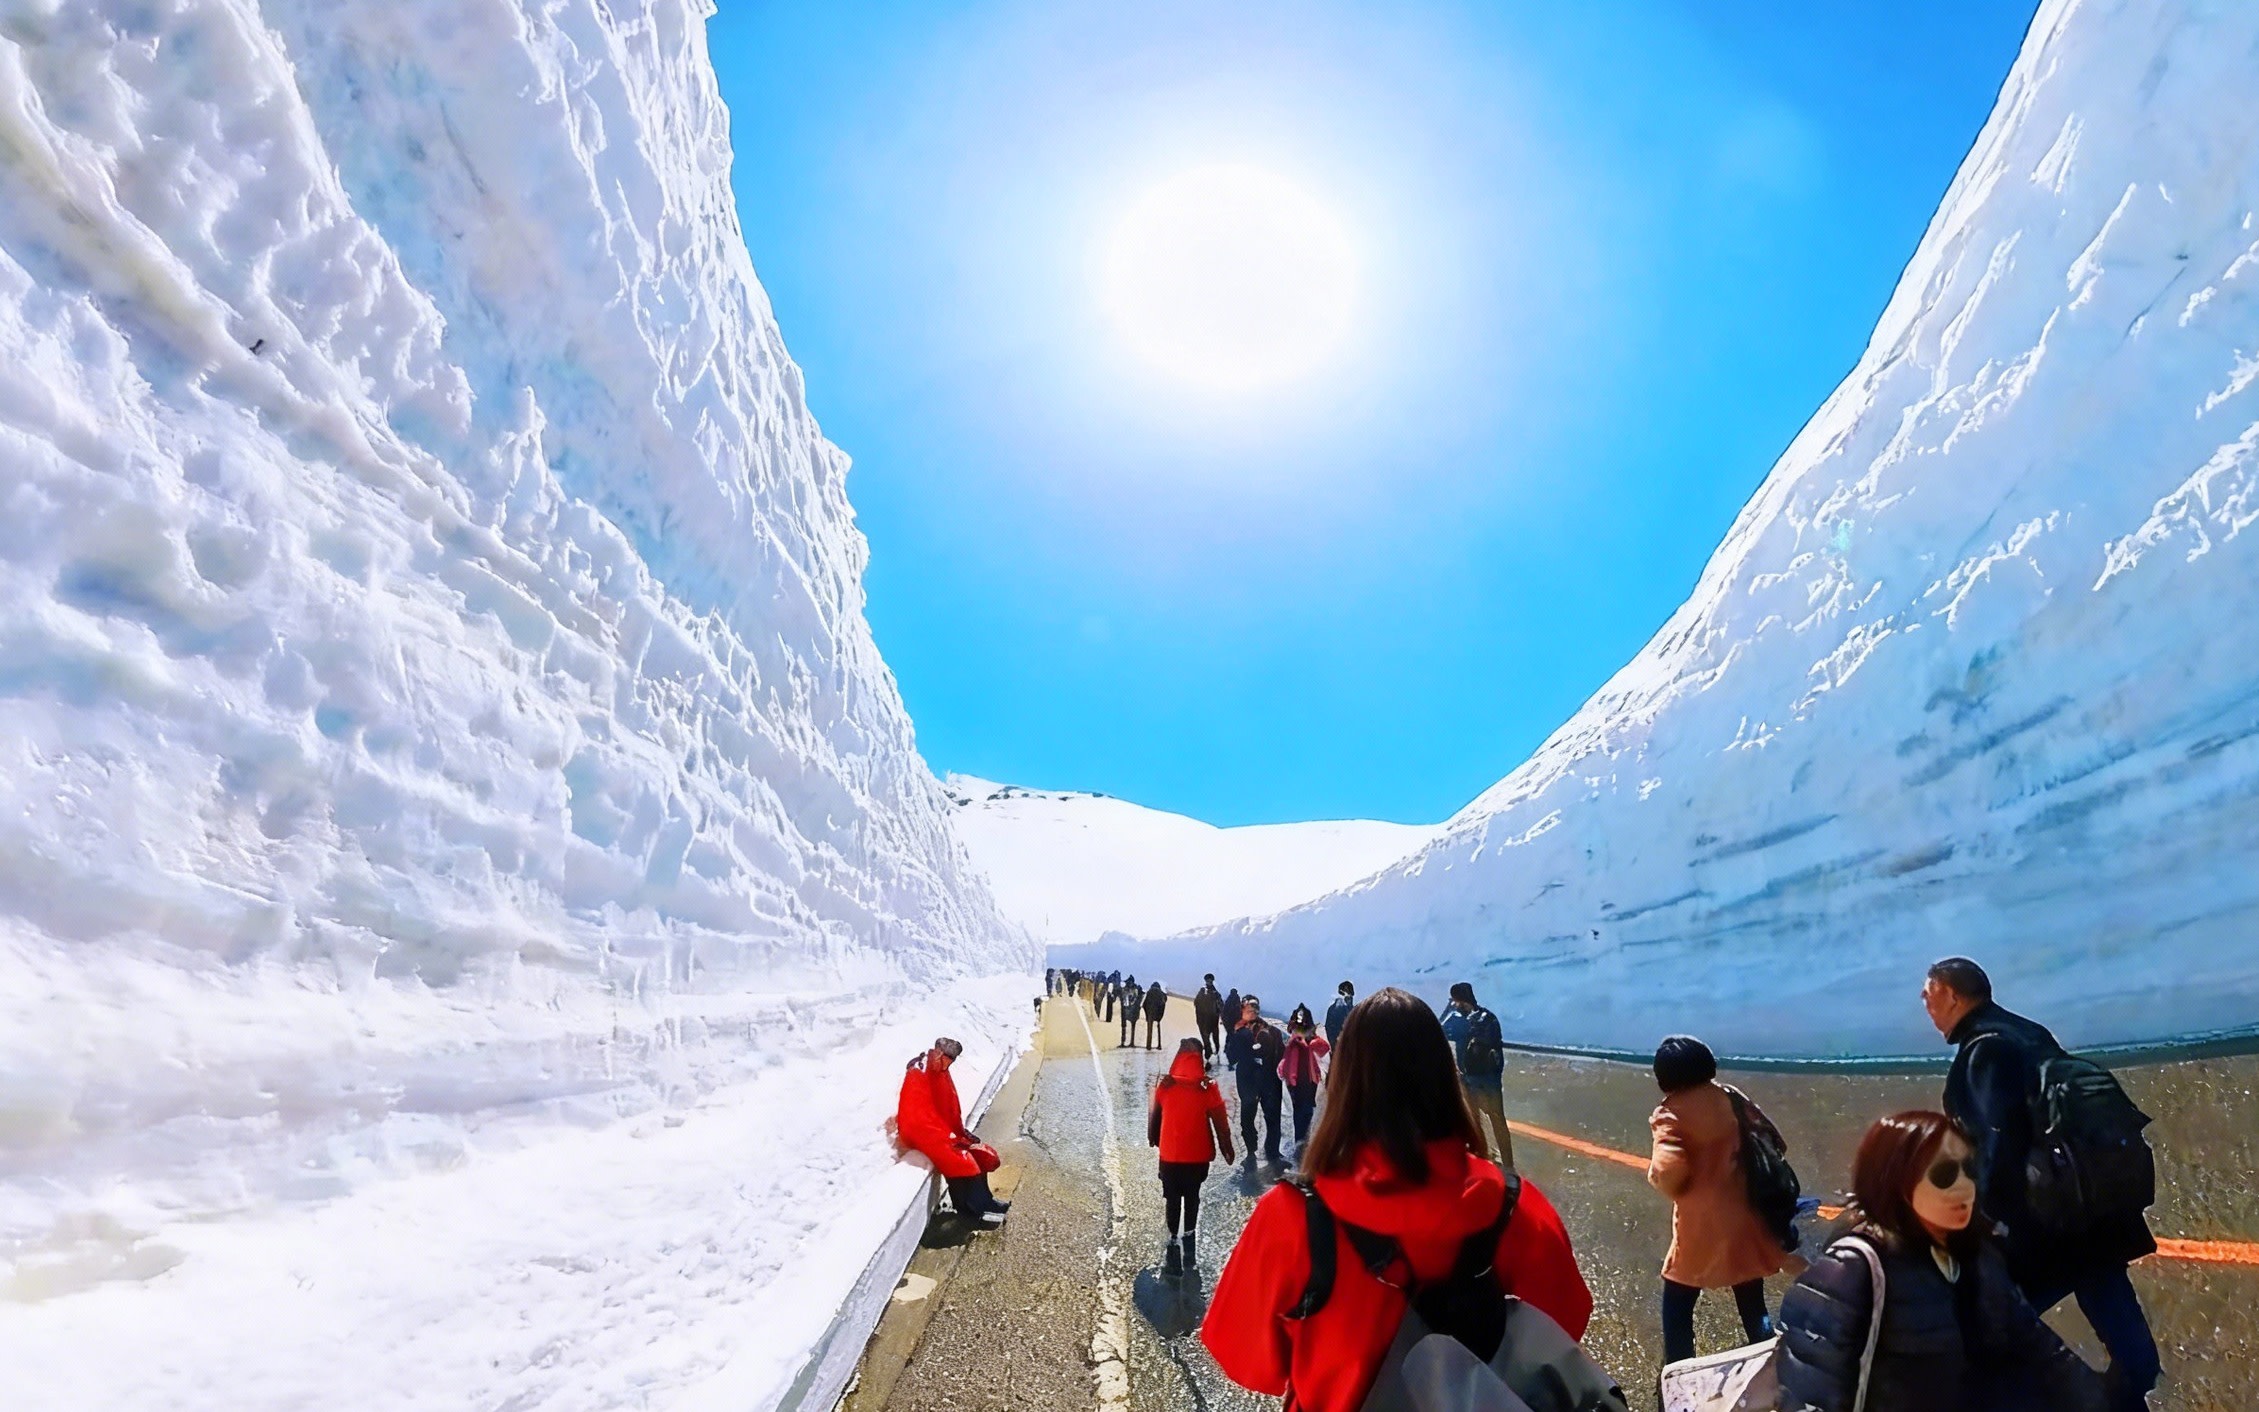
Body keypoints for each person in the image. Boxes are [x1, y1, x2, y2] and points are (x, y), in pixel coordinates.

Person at [1201, 988, 1608, 1412]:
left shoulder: (1293, 1216)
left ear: (1346, 1084)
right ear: (1444, 1076)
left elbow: (1248, 1361)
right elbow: (1565, 1325)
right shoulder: (1516, 1207)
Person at [1923, 957, 2159, 1411]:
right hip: (2088, 1204)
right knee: (2111, 1305)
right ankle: (2131, 1390)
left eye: (1928, 994)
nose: (1925, 1005)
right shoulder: (2028, 1032)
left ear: (1953, 995)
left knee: (1993, 1329)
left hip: (2042, 1219)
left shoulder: (1984, 1050)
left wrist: (1987, 1219)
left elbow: (1999, 1139)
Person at [1775, 1110, 2106, 1412]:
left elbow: (2036, 1345)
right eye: (1944, 1174)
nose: (1964, 1187)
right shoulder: (1852, 1269)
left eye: (1970, 1170)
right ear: (1898, 1182)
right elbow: (1808, 1391)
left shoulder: (1977, 1257)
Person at [1645, 1035, 1801, 1366]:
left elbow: (1669, 1168)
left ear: (1664, 1077)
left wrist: (1660, 1179)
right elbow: (1775, 1140)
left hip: (1702, 1224)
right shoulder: (1730, 1097)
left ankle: (1678, 1366)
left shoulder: (1669, 1113)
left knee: (1678, 1296)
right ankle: (1765, 1349)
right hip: (1746, 1212)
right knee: (1749, 1290)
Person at [895, 1038, 1008, 1223]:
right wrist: (950, 1137)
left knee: (977, 1152)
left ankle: (983, 1200)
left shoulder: (939, 1069)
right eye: (947, 1058)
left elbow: (949, 1106)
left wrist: (960, 1132)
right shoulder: (919, 1073)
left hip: (937, 1131)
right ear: (938, 1053)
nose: (949, 1063)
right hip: (921, 1133)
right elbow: (919, 1116)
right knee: (962, 1160)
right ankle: (970, 1207)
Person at [1150, 1037, 1236, 1276]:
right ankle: (1189, 1232)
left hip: (1170, 1155)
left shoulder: (1166, 1086)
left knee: (1172, 1197)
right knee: (1193, 1194)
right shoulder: (1207, 1088)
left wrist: (1154, 1138)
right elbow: (1221, 1121)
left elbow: (1155, 1116)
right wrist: (1227, 1147)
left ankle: (1172, 1233)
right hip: (1197, 1157)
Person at [1441, 981, 1514, 1170]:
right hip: (1490, 1079)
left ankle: (1481, 1155)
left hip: (1469, 1079)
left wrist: (1448, 1009)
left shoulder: (1457, 1020)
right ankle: (1509, 1165)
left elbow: (1437, 1030)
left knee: (1474, 1120)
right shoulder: (1490, 1018)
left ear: (1457, 1000)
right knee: (1498, 1120)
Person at [1223, 995, 1286, 1166]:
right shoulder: (1239, 1031)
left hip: (1267, 1081)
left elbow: (1282, 1055)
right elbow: (1231, 1057)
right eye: (1248, 1008)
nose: (1252, 1011)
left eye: (1254, 1008)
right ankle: (1254, 1152)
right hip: (1252, 1081)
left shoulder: (1272, 1031)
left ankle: (1271, 1151)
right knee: (1248, 1119)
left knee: (1270, 1117)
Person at [1278, 1004, 1331, 1153]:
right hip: (1303, 1082)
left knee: (1303, 1111)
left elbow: (1324, 1048)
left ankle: (1302, 1143)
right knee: (1303, 1111)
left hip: (1304, 1081)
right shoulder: (1297, 1043)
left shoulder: (1304, 1042)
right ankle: (1302, 1143)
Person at [1194, 974, 1225, 1058]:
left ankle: (1212, 1051)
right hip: (1208, 1019)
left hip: (1207, 1019)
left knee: (1207, 1036)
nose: (1209, 982)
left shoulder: (1210, 993)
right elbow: (1221, 1006)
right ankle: (1212, 1051)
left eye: (1209, 980)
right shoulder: (1213, 993)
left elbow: (1196, 1003)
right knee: (1211, 1036)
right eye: (1208, 980)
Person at [1324, 980, 1354, 1047]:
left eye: (1349, 991)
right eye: (1345, 991)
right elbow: (1329, 1027)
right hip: (1340, 1046)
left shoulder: (1354, 1010)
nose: (1348, 994)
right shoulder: (1335, 1008)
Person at [1143, 979, 1168, 1050]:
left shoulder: (1149, 992)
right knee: (1158, 1029)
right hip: (1158, 1014)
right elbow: (1163, 1003)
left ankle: (1148, 1046)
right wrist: (1160, 1016)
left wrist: (1147, 1015)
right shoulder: (1161, 993)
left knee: (1149, 1030)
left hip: (1150, 1013)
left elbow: (1144, 1004)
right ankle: (1159, 1045)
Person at [1118, 974, 1141, 1046]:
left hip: (1128, 1009)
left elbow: (1134, 998)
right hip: (1131, 1009)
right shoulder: (1132, 989)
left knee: (1124, 1027)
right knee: (1127, 1026)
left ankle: (1125, 1042)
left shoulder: (1127, 989)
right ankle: (1128, 1042)